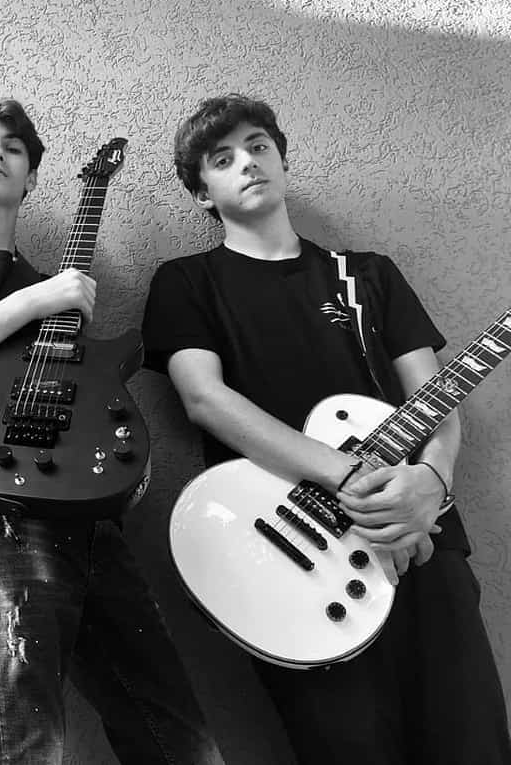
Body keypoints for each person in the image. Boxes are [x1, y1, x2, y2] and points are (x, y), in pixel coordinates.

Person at [142, 93, 511, 764]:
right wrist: (350, 475)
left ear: (282, 160)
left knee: (473, 741)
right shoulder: (187, 282)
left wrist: (432, 481)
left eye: (258, 146)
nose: (247, 163)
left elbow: (435, 399)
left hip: (417, 534)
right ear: (201, 193)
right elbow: (205, 399)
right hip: (289, 555)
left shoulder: (368, 274)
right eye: (222, 159)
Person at [0, 97, 223, 765]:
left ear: (32, 177)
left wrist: (57, 302)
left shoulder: (55, 285)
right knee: (24, 738)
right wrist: (31, 302)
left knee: (177, 731)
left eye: (13, 147)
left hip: (88, 511)